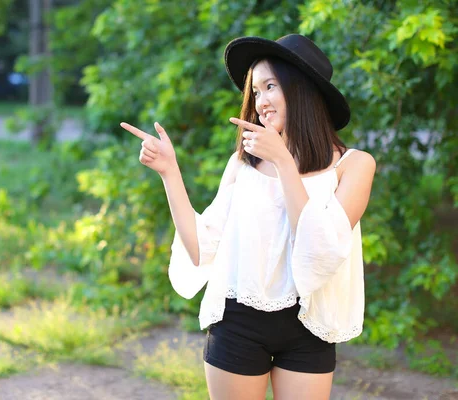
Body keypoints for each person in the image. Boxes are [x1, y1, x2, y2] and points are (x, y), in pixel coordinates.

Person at [120, 34, 376, 400]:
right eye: (255, 92)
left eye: (270, 86)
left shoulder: (355, 165)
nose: (261, 102)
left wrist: (284, 161)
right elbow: (199, 249)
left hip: (310, 325)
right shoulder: (243, 163)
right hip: (238, 320)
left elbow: (320, 250)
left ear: (301, 88)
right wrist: (169, 172)